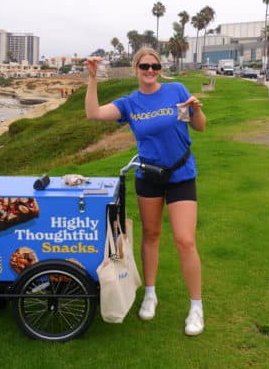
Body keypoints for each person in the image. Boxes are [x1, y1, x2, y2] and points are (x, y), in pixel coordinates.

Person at [84, 48, 207, 336]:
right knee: (151, 235)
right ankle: (150, 294)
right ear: (135, 68)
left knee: (185, 240)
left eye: (154, 66)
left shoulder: (176, 90)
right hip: (149, 176)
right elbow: (93, 113)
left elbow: (199, 127)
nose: (150, 70)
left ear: (160, 68)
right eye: (144, 66)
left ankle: (196, 306)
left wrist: (197, 110)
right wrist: (92, 79)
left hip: (181, 174)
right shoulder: (130, 103)